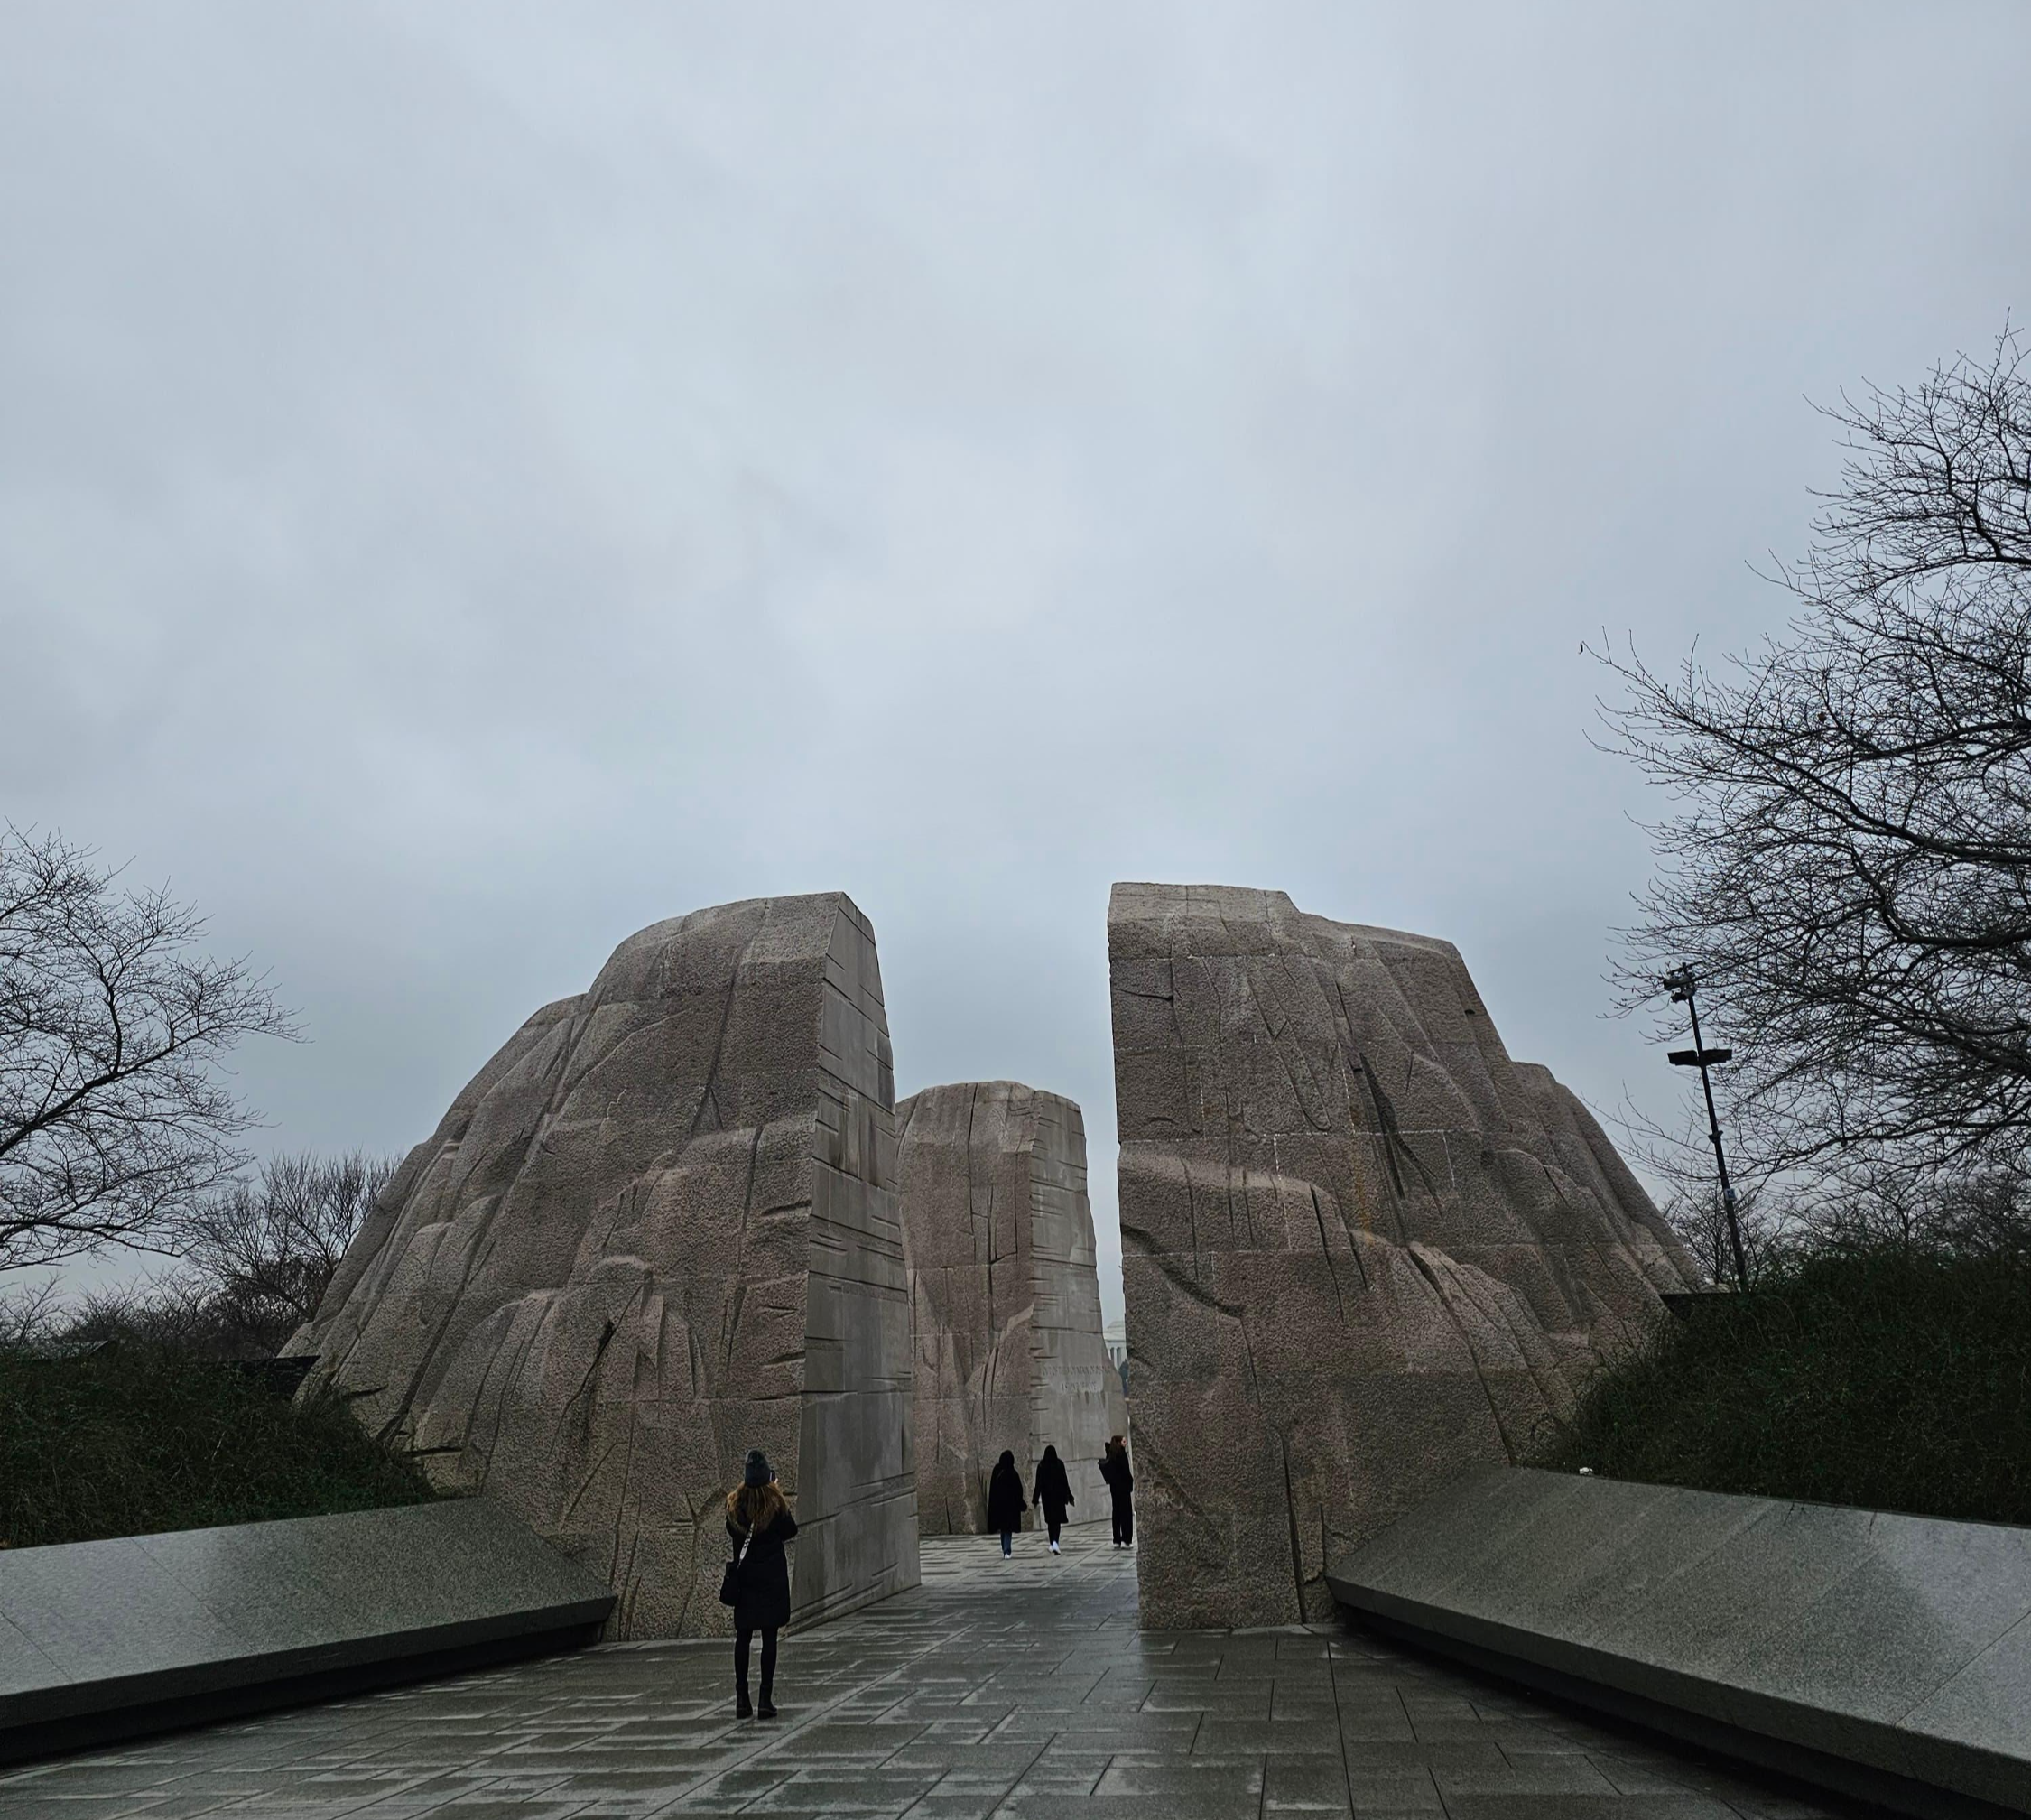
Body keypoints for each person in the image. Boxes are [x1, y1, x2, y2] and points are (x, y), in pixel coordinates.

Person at [726, 1448, 798, 1720]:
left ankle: (741, 1699)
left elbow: (731, 1531)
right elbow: (791, 1530)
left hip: (745, 1582)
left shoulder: (735, 1507)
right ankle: (765, 1698)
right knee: (769, 1639)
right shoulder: (775, 1505)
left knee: (743, 1638)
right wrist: (777, 1494)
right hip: (770, 1581)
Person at [1031, 1444, 1074, 1553]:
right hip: (1058, 1497)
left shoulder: (1041, 1465)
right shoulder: (1059, 1464)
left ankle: (1052, 1542)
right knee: (1057, 1522)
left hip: (1047, 1498)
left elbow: (1038, 1484)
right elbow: (1065, 1482)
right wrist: (1069, 1497)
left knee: (1050, 1521)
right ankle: (1055, 1542)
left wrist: (1035, 1499)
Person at [986, 1447, 1026, 1556]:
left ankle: (1005, 1548)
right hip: (1010, 1508)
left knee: (1003, 1529)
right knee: (1007, 1529)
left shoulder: (997, 1471)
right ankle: (1007, 1550)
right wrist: (1021, 1504)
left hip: (999, 1506)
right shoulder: (1013, 1473)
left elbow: (993, 1489)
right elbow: (1018, 1491)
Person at [1099, 1435, 1134, 1547]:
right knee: (1126, 1513)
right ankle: (1126, 1539)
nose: (1126, 1443)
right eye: (1124, 1441)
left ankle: (1116, 1540)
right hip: (1123, 1487)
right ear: (1119, 1443)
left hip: (1114, 1488)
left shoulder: (1111, 1454)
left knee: (1117, 1513)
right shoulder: (1122, 1454)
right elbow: (1126, 1472)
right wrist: (1130, 1482)